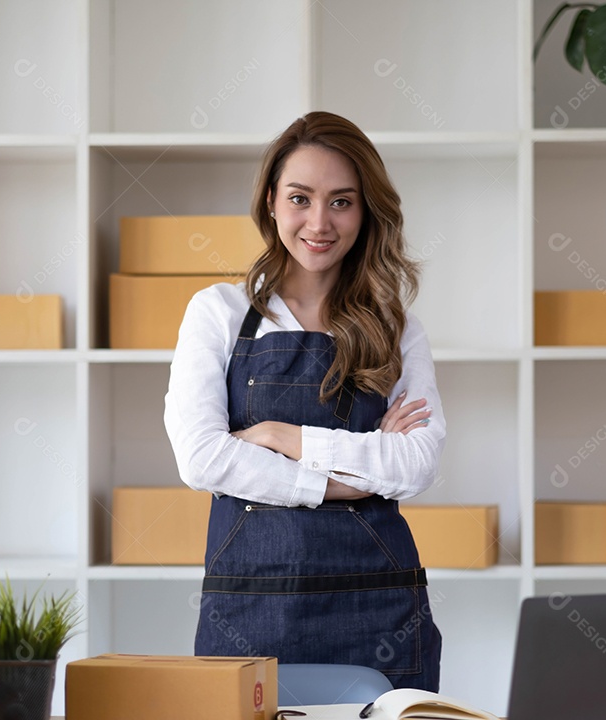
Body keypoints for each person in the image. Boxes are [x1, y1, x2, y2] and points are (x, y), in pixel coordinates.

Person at [163, 111, 445, 691]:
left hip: (378, 606)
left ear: (366, 212)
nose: (320, 222)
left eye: (342, 201)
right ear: (270, 202)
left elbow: (416, 465)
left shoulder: (395, 328)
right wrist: (350, 477)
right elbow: (201, 459)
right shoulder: (217, 312)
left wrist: (279, 436)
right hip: (249, 608)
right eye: (300, 198)